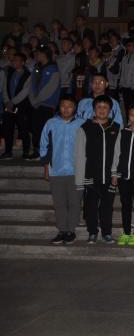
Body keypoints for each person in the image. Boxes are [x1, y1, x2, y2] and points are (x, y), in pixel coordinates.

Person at [74, 95, 120, 244]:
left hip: (109, 176)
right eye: (99, 107)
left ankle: (107, 233)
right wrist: (80, 179)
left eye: (105, 107)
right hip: (90, 175)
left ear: (110, 110)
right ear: (94, 109)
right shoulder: (85, 128)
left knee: (107, 206)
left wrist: (115, 173)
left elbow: (118, 153)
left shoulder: (116, 128)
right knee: (91, 206)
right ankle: (92, 232)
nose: (102, 110)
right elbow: (80, 155)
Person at [39, 95, 84, 244]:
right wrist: (46, 166)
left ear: (74, 108)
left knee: (74, 202)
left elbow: (88, 146)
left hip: (76, 171)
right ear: (59, 107)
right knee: (59, 203)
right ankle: (62, 230)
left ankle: (71, 230)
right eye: (63, 106)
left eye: (69, 106)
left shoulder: (82, 124)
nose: (66, 109)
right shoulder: (51, 123)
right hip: (56, 170)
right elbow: (44, 145)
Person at [111, 104, 134, 246]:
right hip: (123, 175)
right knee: (125, 204)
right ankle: (126, 232)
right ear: (128, 117)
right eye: (132, 115)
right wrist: (114, 172)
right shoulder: (123, 132)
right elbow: (116, 152)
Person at [29, 47, 61, 159]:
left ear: (44, 55)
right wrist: (33, 100)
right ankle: (36, 151)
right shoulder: (36, 68)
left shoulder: (53, 69)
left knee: (45, 129)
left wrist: (36, 100)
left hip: (47, 104)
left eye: (38, 54)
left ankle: (46, 152)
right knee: (35, 128)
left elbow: (50, 88)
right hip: (35, 104)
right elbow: (31, 85)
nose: (36, 56)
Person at [1, 52, 33, 159]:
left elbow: (25, 92)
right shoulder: (10, 73)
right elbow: (4, 89)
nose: (13, 62)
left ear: (23, 62)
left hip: (22, 106)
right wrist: (6, 101)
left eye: (16, 60)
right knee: (7, 129)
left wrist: (12, 102)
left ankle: (26, 152)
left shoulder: (28, 75)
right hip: (8, 106)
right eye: (13, 60)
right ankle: (8, 151)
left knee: (23, 129)